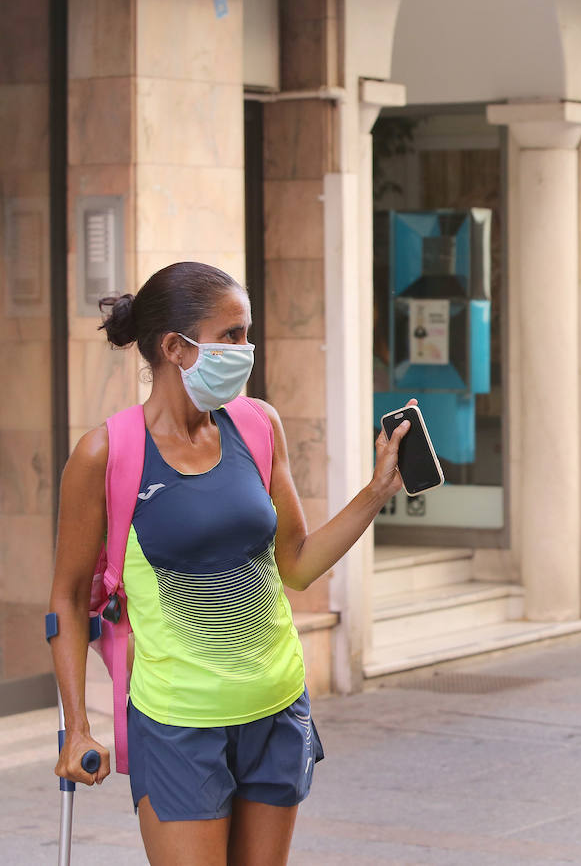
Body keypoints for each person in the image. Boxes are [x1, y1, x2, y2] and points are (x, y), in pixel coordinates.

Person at [48, 262, 410, 865]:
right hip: (177, 723)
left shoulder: (256, 424)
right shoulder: (106, 453)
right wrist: (79, 727)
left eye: (248, 334)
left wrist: (376, 492)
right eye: (232, 336)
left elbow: (294, 565)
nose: (246, 351)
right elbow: (65, 598)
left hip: (277, 709)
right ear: (174, 347)